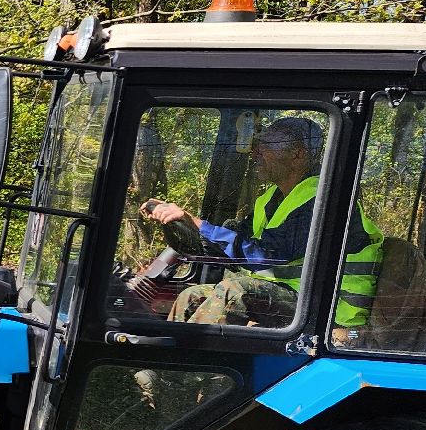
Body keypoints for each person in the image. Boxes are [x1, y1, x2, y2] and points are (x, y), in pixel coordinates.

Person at [141, 117, 381, 328]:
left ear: (298, 154)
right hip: (295, 294)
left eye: (265, 146)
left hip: (331, 307)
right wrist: (183, 224)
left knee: (235, 291)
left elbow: (268, 256)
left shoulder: (323, 200)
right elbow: (238, 243)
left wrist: (197, 223)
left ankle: (198, 366)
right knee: (192, 295)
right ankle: (170, 360)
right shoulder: (273, 198)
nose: (255, 153)